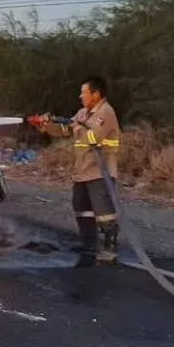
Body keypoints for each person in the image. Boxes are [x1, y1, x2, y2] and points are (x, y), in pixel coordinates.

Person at [36, 76, 122, 266]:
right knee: (81, 209)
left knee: (104, 213)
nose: (80, 96)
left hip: (100, 172)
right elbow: (65, 130)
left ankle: (109, 248)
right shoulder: (83, 113)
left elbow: (94, 136)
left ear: (96, 94)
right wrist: (46, 125)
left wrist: (77, 126)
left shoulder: (106, 113)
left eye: (83, 93)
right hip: (82, 171)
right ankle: (89, 245)